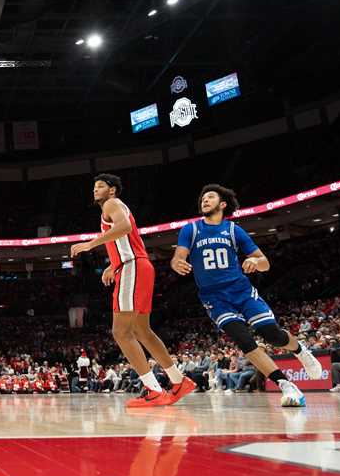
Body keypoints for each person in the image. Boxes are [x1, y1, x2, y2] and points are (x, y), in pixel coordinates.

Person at [171, 184, 321, 408]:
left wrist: (254, 261)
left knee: (272, 335)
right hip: (215, 298)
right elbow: (177, 258)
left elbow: (265, 262)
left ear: (222, 204)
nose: (204, 200)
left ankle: (301, 350)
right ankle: (287, 385)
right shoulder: (190, 230)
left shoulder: (233, 230)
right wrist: (178, 263)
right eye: (203, 197)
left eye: (210, 197)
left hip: (241, 291)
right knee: (244, 340)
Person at [71, 174, 195, 409]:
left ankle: (153, 390)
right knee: (142, 330)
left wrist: (89, 244)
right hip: (138, 265)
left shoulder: (112, 204)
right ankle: (179, 382)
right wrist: (112, 264)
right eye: (94, 186)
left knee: (121, 332)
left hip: (133, 268)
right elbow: (128, 240)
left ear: (113, 190)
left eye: (101, 186)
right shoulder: (113, 207)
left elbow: (125, 227)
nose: (96, 189)